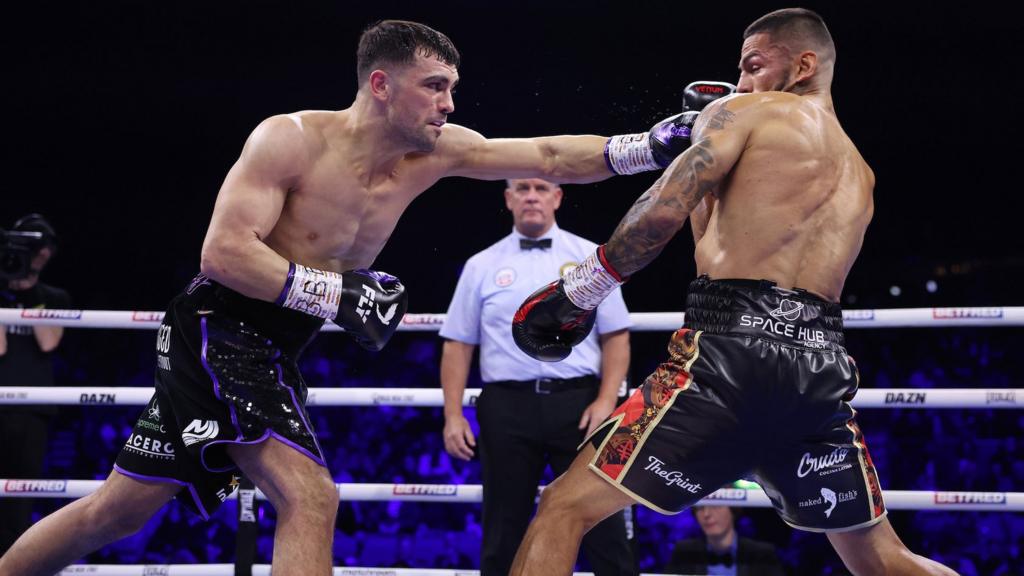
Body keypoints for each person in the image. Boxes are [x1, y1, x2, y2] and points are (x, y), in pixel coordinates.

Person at [0, 20, 705, 576]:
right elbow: (222, 252)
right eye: (434, 86)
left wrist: (649, 144)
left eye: (451, 87)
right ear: (380, 84)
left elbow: (548, 158)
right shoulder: (291, 139)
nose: (449, 103)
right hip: (221, 329)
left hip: (274, 342)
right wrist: (332, 292)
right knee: (309, 496)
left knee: (116, 513)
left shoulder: (437, 152)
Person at [509, 8, 957, 576]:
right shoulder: (860, 171)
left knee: (562, 508)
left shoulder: (744, 112)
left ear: (804, 64)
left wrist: (583, 289)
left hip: (727, 355)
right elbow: (733, 240)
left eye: (753, 65)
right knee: (884, 560)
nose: (741, 83)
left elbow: (659, 215)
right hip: (819, 367)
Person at [439, 177, 635, 575]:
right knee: (503, 527)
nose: (532, 195)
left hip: (580, 406)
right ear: (508, 198)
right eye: (523, 188)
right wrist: (452, 415)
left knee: (604, 525)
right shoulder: (481, 265)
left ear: (557, 197)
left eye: (541, 188)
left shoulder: (590, 258)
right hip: (506, 408)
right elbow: (458, 343)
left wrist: (606, 400)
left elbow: (616, 336)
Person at [0, 214, 69, 555]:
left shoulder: (55, 297)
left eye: (41, 247)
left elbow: (47, 341)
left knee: (20, 496)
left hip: (32, 408)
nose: (36, 254)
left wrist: (27, 294)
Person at [666, 505, 784, 576]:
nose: (706, 514)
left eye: (715, 506)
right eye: (700, 508)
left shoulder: (761, 552)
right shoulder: (684, 551)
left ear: (732, 509)